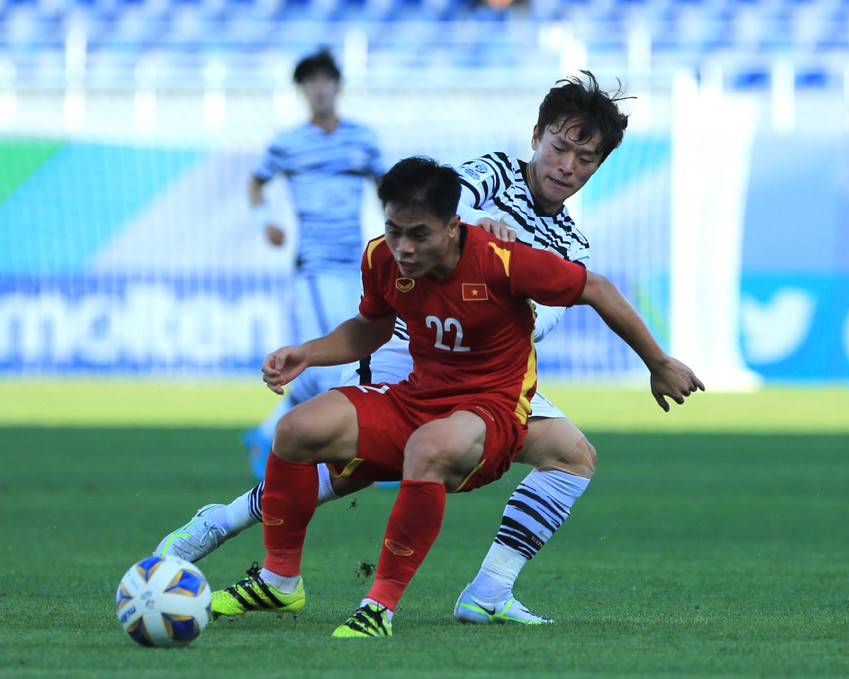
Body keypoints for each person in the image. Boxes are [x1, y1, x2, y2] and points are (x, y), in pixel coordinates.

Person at [155, 72, 688, 626]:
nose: (566, 166)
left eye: (585, 158)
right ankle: (225, 522)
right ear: (536, 137)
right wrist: (473, 232)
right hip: (406, 351)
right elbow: (441, 203)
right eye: (559, 147)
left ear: (598, 167)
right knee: (349, 470)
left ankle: (489, 590)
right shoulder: (494, 172)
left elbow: (537, 322)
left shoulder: (572, 245)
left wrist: (503, 277)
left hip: (483, 372)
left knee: (572, 458)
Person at [244, 47, 384, 480]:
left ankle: (265, 433)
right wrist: (266, 222)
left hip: (354, 262)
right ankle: (351, 457)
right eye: (311, 82)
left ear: (336, 86)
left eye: (326, 80)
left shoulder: (363, 138)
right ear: (303, 90)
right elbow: (256, 183)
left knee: (342, 357)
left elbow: (387, 190)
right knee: (338, 359)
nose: (319, 88)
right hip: (315, 265)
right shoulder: (289, 143)